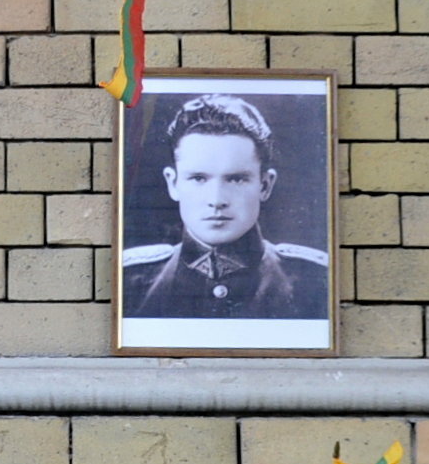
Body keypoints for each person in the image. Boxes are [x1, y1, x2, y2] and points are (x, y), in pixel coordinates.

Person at [122, 93, 329, 320]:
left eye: (236, 179)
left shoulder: (316, 280)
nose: (217, 199)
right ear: (173, 183)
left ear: (265, 185)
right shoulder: (131, 280)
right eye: (199, 178)